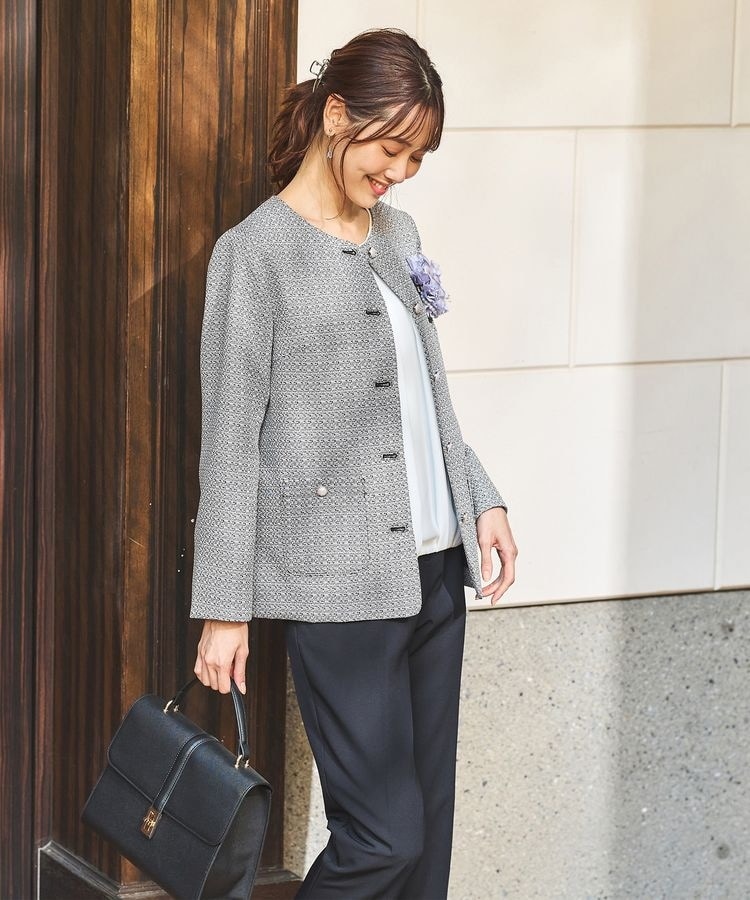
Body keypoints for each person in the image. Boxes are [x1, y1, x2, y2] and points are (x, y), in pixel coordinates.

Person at [190, 27, 518, 900]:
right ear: (337, 115)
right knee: (384, 839)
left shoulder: (398, 230)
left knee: (428, 839)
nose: (400, 172)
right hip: (338, 590)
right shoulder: (254, 255)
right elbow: (229, 444)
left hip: (436, 574)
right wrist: (224, 608)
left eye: (416, 157)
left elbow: (424, 396)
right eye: (391, 148)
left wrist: (481, 496)